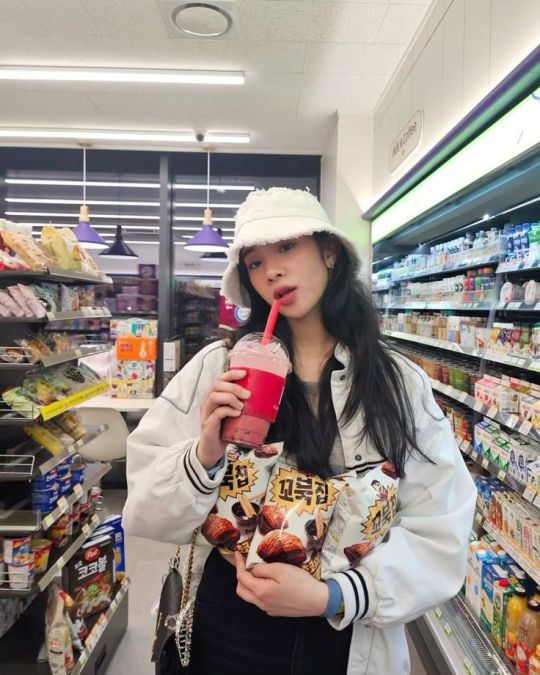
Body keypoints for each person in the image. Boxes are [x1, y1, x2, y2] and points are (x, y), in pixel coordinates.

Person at [123, 187, 477, 675]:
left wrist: (332, 595)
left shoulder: (395, 382)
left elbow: (440, 522)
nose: (271, 271)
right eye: (255, 262)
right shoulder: (218, 367)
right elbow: (144, 512)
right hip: (226, 624)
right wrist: (204, 452)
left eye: (287, 247)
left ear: (329, 252)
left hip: (342, 634)